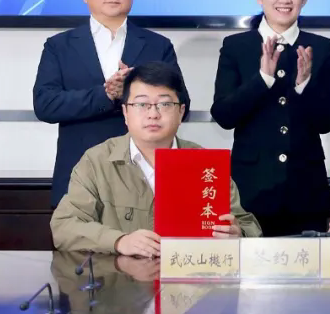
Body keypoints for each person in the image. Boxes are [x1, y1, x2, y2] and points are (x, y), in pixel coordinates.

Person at [51, 61, 262, 254]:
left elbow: (248, 226)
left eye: (164, 104)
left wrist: (237, 235)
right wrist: (119, 241)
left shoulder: (205, 163)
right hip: (119, 281)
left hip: (189, 279)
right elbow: (64, 226)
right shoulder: (97, 161)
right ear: (125, 113)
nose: (153, 114)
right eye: (141, 104)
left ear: (181, 112)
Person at [34, 0, 184, 207]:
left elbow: (183, 105)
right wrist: (105, 94)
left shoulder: (158, 46)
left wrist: (137, 92)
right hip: (80, 174)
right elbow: (45, 105)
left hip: (146, 177)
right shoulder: (59, 46)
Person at [210, 0, 330, 237]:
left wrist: (304, 86)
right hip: (250, 190)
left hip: (305, 190)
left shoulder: (320, 47)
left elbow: (329, 120)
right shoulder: (236, 46)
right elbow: (223, 115)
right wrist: (262, 80)